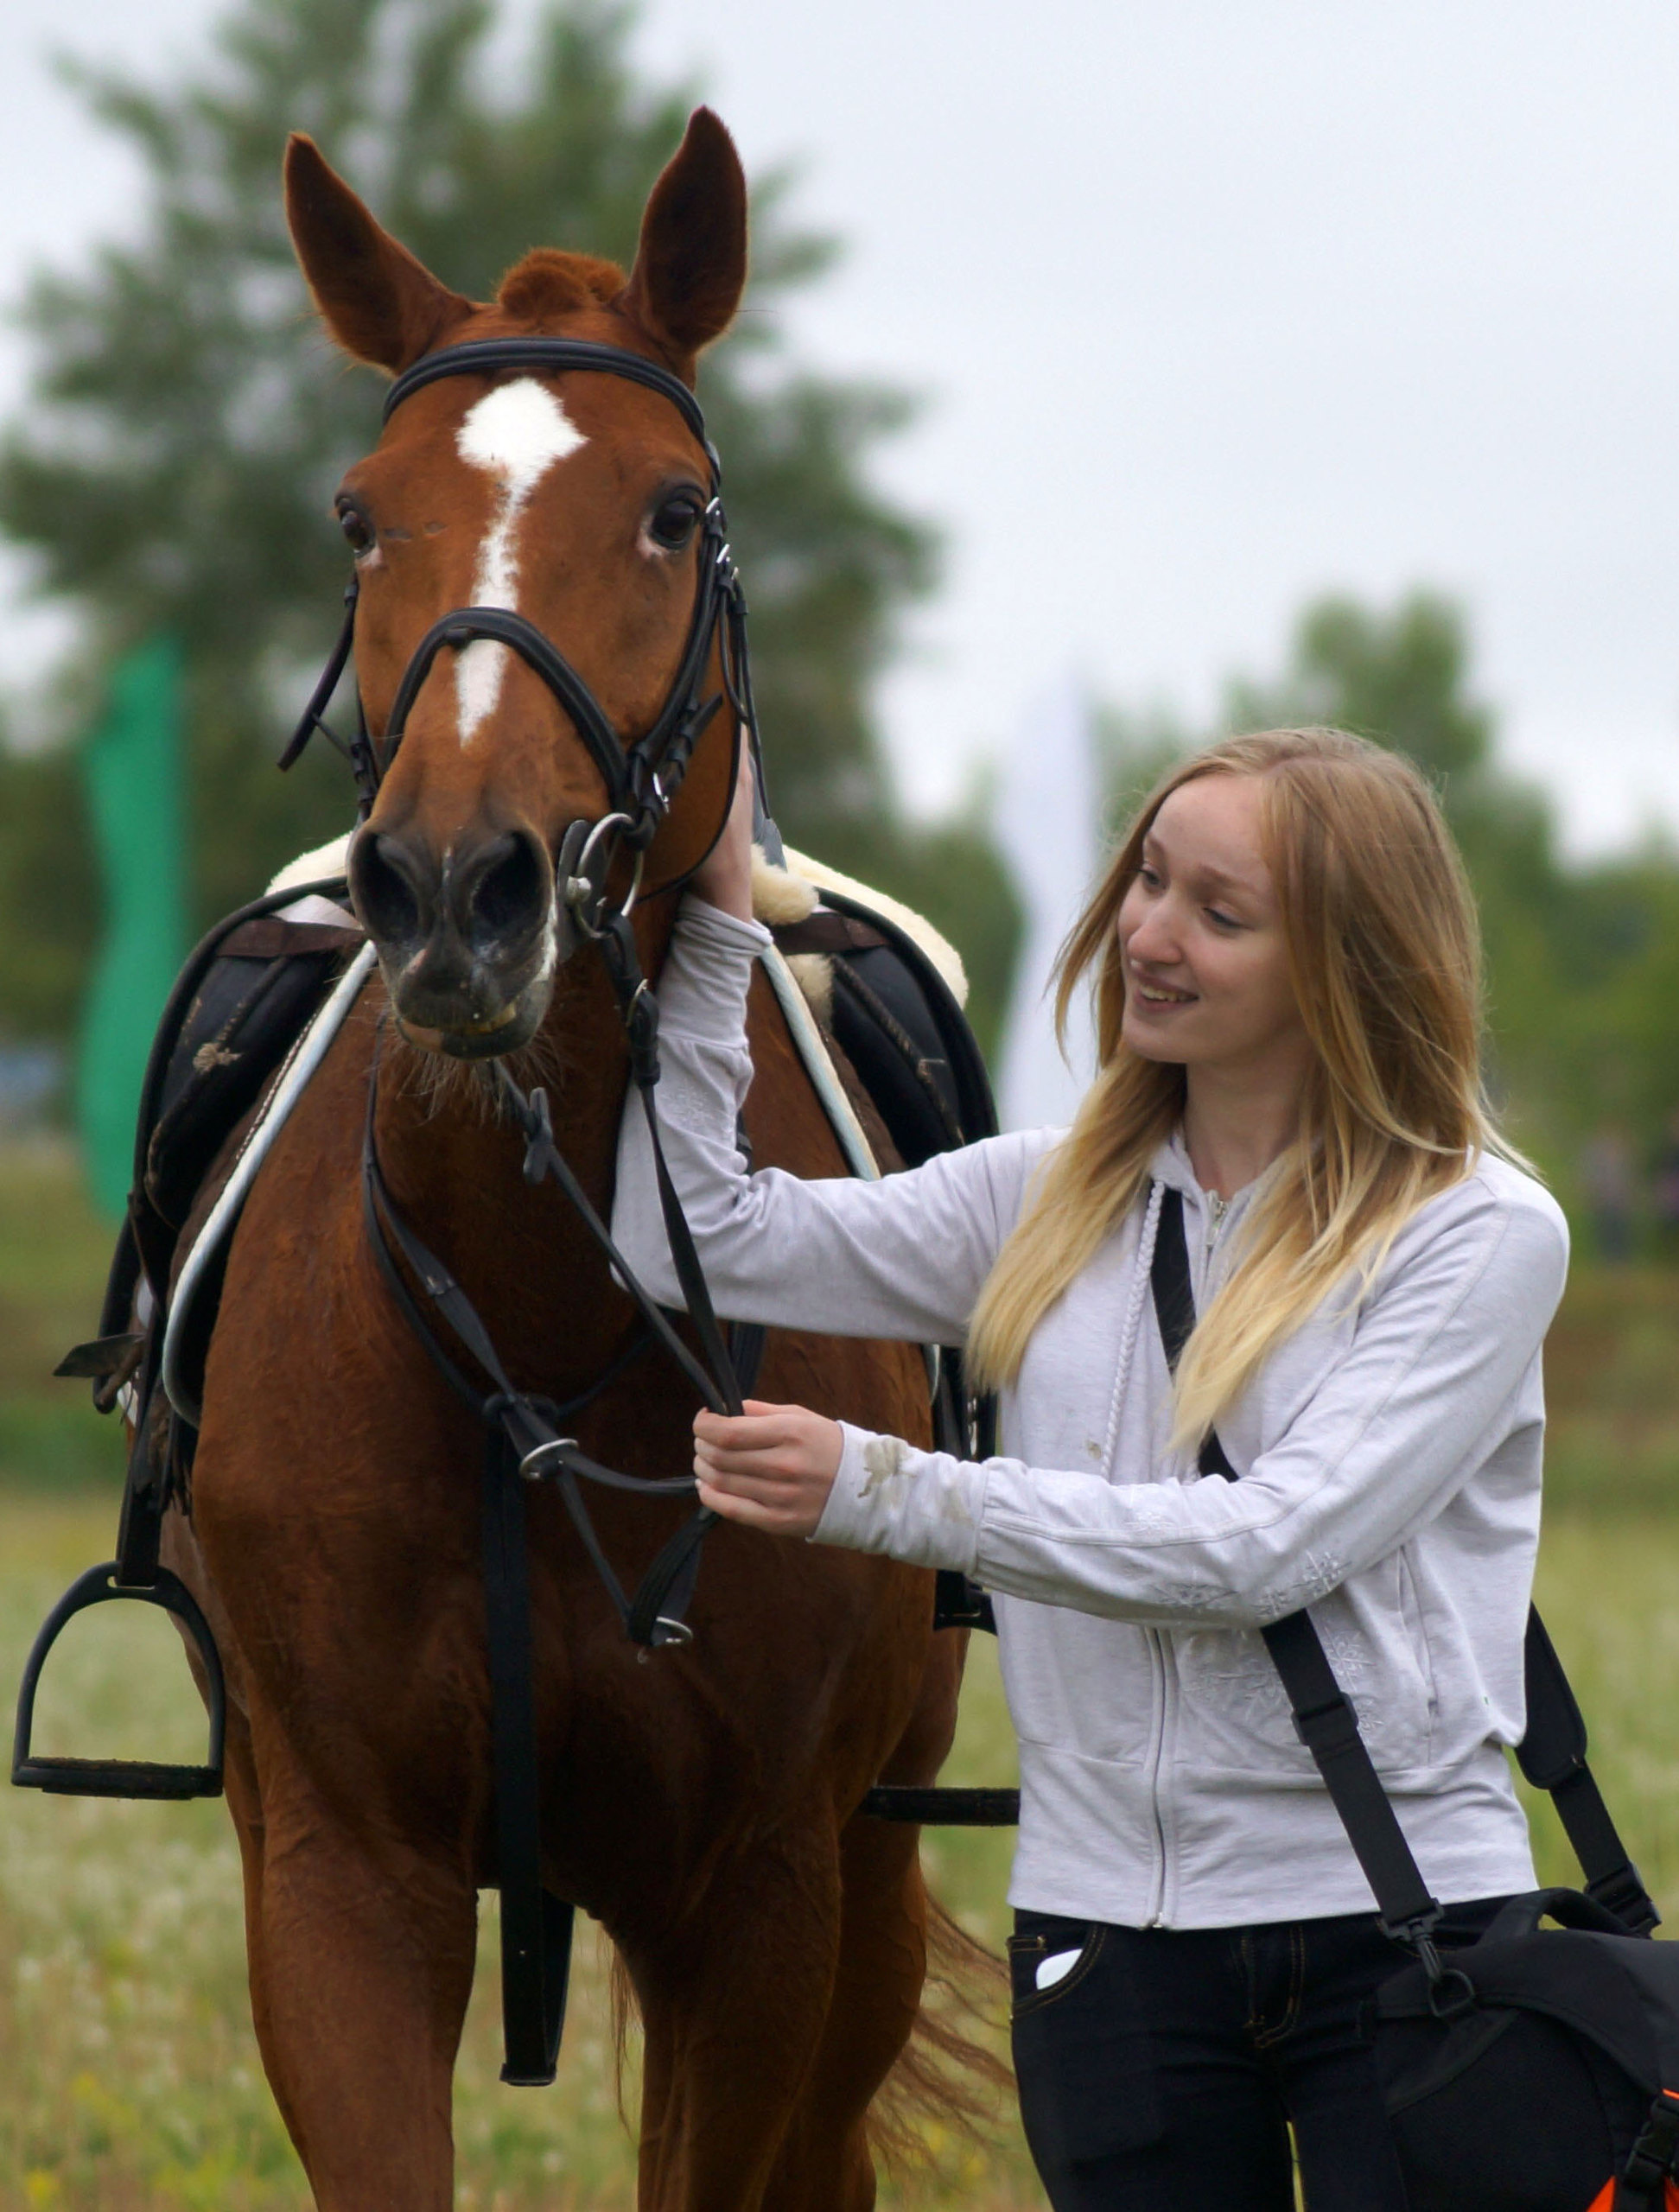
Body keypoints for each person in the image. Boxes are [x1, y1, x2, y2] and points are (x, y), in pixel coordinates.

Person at [611, 727, 1568, 2211]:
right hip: (1104, 1943)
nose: (1148, 935)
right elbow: (689, 1238)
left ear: (1348, 969)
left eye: (1218, 913)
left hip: (1402, 1934)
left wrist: (886, 1489)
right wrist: (724, 926)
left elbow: (1264, 1549)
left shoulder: (1477, 1233)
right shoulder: (1038, 1198)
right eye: (1148, 881)